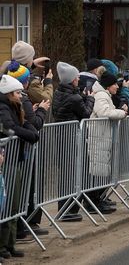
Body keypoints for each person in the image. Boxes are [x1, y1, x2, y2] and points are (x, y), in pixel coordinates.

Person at [6, 62, 50, 239]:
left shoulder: (19, 100)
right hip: (16, 153)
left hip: (18, 151)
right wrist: (41, 111)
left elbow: (24, 122)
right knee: (17, 193)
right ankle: (19, 228)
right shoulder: (21, 99)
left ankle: (17, 230)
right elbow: (33, 124)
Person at [0, 75, 39, 259]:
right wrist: (29, 135)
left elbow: (23, 123)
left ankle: (10, 243)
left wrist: (32, 131)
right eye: (17, 92)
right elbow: (8, 127)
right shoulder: (3, 107)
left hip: (16, 159)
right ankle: (2, 246)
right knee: (7, 204)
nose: (20, 94)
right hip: (7, 161)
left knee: (14, 204)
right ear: (9, 94)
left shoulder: (15, 106)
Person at [52, 62, 95, 222]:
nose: (78, 78)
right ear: (71, 80)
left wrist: (83, 96)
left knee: (65, 172)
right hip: (73, 138)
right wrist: (90, 99)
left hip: (62, 137)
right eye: (76, 76)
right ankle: (69, 210)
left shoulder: (58, 93)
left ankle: (64, 207)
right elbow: (85, 113)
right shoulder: (74, 97)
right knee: (72, 173)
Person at [87, 72, 128, 214]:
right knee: (98, 172)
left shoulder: (104, 95)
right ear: (108, 85)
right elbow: (104, 112)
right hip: (98, 137)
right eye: (115, 84)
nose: (117, 87)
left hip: (102, 137)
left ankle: (98, 200)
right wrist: (121, 114)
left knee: (102, 171)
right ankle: (93, 203)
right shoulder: (101, 96)